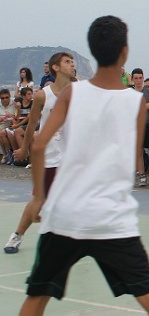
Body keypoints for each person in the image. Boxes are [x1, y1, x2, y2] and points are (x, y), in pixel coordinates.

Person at [19, 15, 149, 315]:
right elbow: (131, 158)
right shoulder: (135, 103)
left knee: (37, 297)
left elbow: (38, 145)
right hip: (111, 217)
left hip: (65, 214)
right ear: (124, 53)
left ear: (91, 52)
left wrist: (39, 197)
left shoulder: (73, 93)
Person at [4, 52, 76, 255]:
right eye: (68, 62)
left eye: (73, 62)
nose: (72, 65)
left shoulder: (77, 92)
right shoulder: (43, 95)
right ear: (56, 67)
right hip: (49, 157)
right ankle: (17, 235)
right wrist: (23, 149)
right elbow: (32, 123)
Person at [131, 68, 149, 187]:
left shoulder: (148, 90)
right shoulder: (129, 92)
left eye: (140, 77)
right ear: (132, 79)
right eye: (136, 78)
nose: (138, 80)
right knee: (139, 151)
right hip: (135, 125)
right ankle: (142, 175)